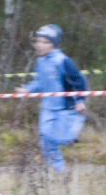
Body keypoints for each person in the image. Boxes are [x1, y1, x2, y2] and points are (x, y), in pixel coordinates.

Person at [15, 24, 88, 172]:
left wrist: (80, 100)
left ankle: (73, 131)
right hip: (47, 108)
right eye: (37, 41)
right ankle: (58, 171)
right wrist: (27, 89)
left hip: (65, 108)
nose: (39, 45)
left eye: (45, 42)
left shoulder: (62, 61)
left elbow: (79, 81)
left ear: (53, 44)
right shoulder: (40, 61)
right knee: (45, 140)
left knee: (61, 139)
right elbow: (39, 81)